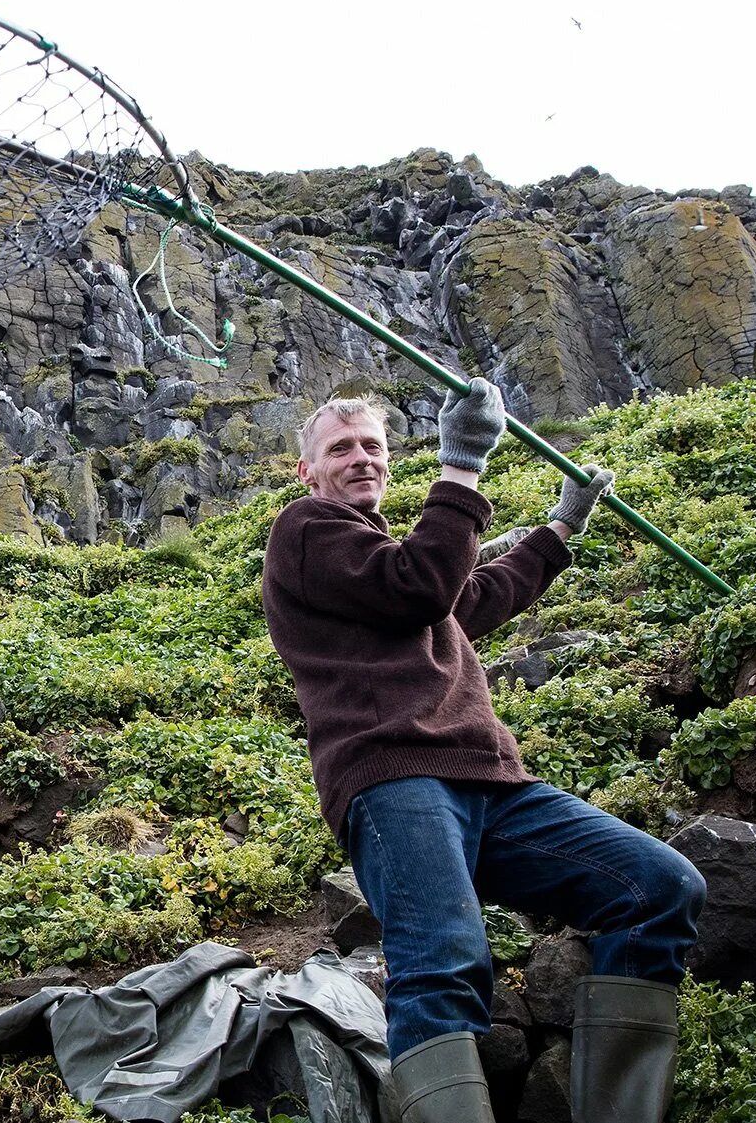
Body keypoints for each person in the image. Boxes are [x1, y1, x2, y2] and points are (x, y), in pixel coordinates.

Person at [260, 380, 706, 1123]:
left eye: (372, 444)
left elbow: (473, 598)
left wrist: (560, 529)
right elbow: (429, 585)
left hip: (491, 783)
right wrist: (462, 460)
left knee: (659, 888)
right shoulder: (306, 530)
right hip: (396, 778)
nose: (361, 457)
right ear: (309, 471)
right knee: (442, 957)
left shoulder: (385, 564)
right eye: (340, 448)